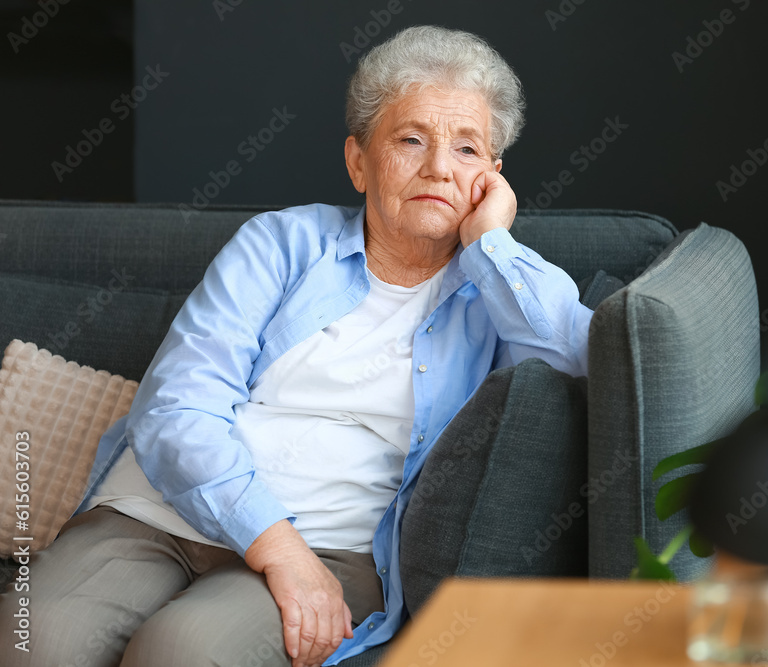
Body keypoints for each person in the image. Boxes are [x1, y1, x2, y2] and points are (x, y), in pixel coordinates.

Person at [0, 24, 591, 667]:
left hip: (333, 545)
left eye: (468, 149)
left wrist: (491, 245)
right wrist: (274, 546)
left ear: (492, 179)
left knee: (184, 653)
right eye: (411, 139)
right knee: (33, 637)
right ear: (358, 161)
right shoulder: (280, 245)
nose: (440, 168)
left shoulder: (496, 290)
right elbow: (177, 404)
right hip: (160, 512)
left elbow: (580, 366)